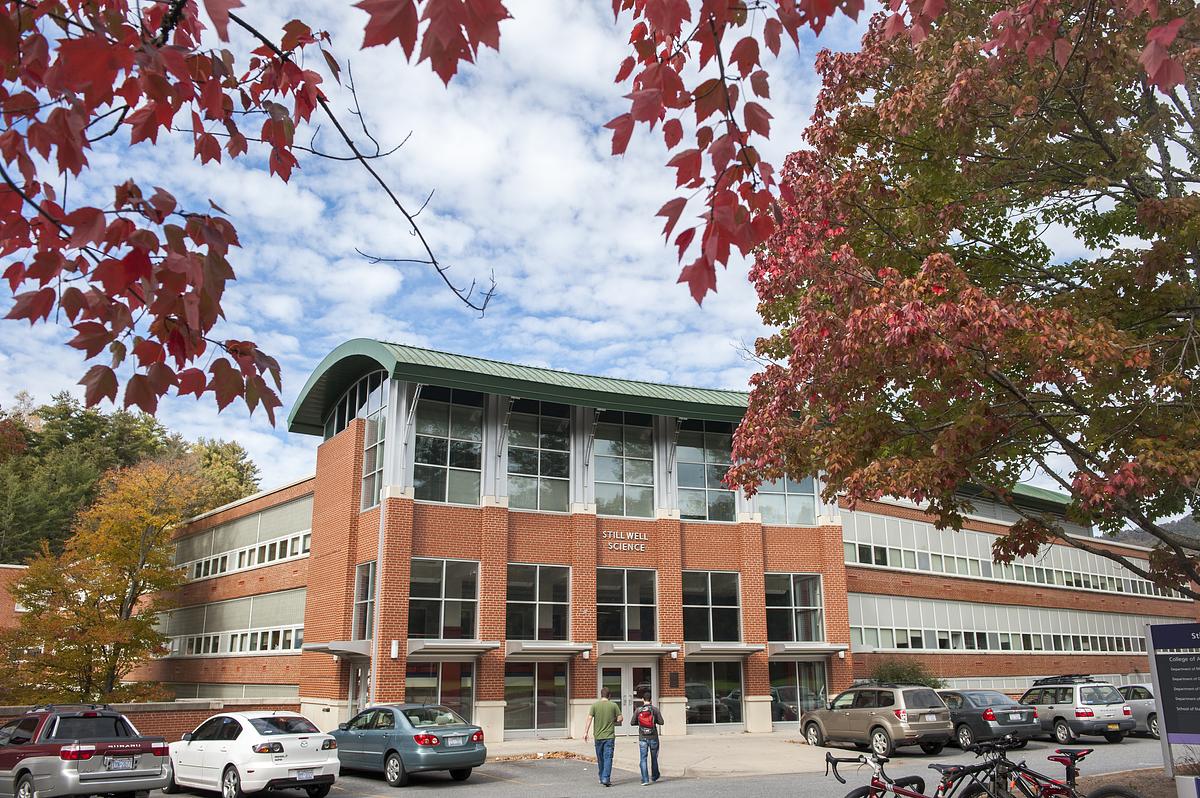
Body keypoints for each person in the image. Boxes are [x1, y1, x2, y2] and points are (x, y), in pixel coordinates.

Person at [583, 687, 623, 787]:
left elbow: (589, 719)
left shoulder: (595, 705)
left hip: (598, 736)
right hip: (609, 736)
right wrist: (613, 720)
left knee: (600, 758)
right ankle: (606, 778)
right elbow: (620, 718)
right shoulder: (613, 705)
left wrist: (585, 732)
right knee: (608, 758)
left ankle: (601, 777)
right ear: (609, 696)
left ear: (601, 695)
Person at [631, 688, 664, 785]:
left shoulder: (638, 710)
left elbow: (632, 722)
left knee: (643, 758)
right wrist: (654, 721)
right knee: (654, 757)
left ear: (642, 699)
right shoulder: (654, 709)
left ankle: (645, 779)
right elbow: (661, 722)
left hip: (642, 738)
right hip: (653, 737)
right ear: (651, 699)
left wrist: (640, 723)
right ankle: (654, 776)